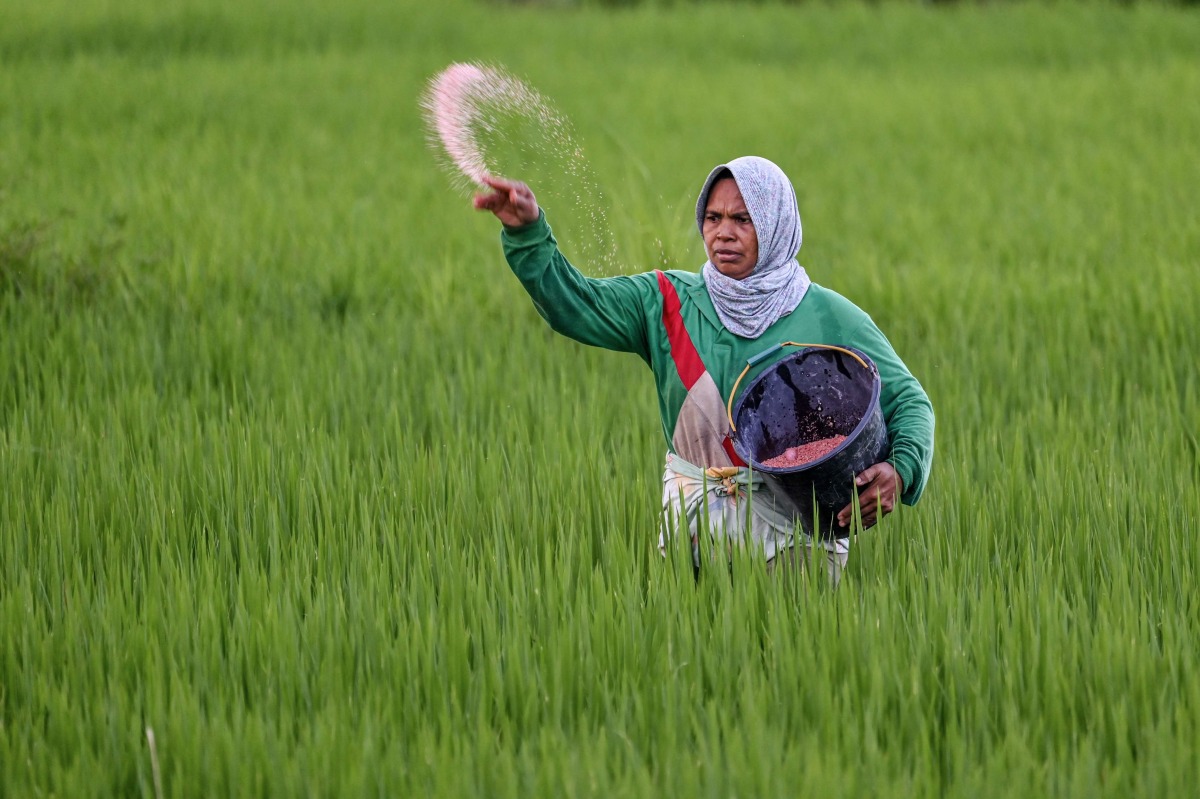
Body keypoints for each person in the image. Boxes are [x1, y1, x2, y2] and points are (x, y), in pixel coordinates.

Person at [474, 156, 934, 585]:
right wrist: (529, 234)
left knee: (791, 661)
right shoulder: (666, 302)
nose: (724, 233)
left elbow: (909, 401)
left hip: (799, 541)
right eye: (713, 218)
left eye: (743, 219)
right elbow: (574, 305)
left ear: (775, 224)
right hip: (691, 537)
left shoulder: (829, 316)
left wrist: (900, 469)